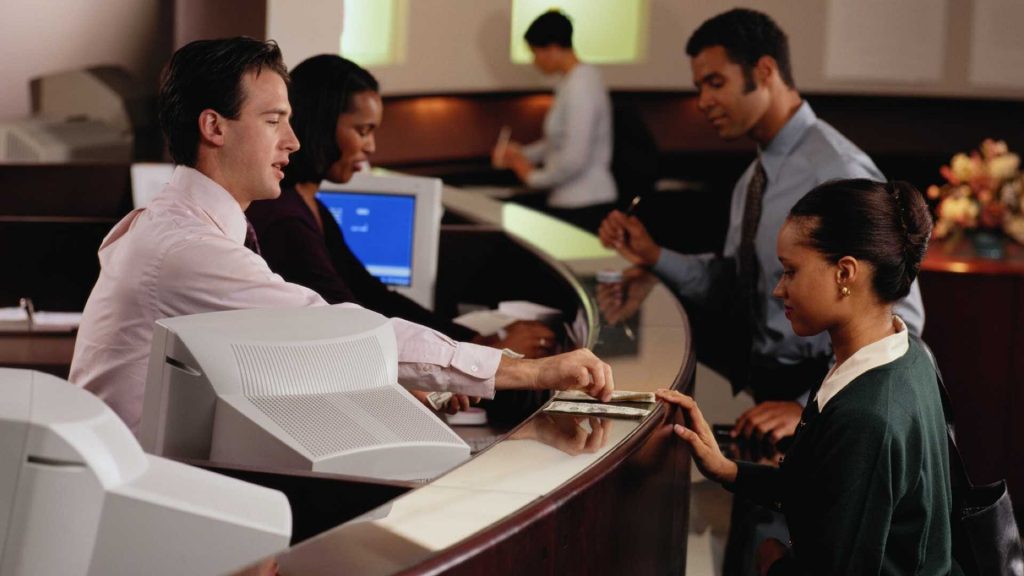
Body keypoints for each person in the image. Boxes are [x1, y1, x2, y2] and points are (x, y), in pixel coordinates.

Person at [69, 37, 614, 432]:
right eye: (273, 121)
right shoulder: (187, 249)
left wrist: (432, 381)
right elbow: (335, 330)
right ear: (213, 127)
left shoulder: (183, 227)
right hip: (146, 500)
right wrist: (530, 370)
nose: (294, 141)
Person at [599, 8, 925, 443]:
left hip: (822, 407)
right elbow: (737, 279)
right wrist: (654, 257)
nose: (703, 102)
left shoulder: (837, 170)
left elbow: (904, 316)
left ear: (765, 71)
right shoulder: (752, 179)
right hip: (766, 396)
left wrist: (813, 403)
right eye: (699, 88)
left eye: (716, 83)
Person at [658, 179, 954, 574]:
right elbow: (825, 488)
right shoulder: (909, 354)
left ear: (845, 273)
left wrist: (773, 564)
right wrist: (729, 470)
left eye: (791, 271)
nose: (780, 290)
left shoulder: (866, 417)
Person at [245, 55, 556, 364]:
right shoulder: (285, 217)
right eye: (363, 130)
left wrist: (472, 342)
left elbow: (376, 296)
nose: (371, 147)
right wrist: (479, 348)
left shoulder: (311, 206)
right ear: (322, 124)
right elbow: (351, 322)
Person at [492, 9, 617, 232]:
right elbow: (556, 143)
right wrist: (521, 153)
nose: (534, 62)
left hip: (585, 203)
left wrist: (532, 176)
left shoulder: (582, 85)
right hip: (570, 201)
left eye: (535, 53)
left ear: (551, 49)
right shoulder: (570, 83)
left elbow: (574, 157)